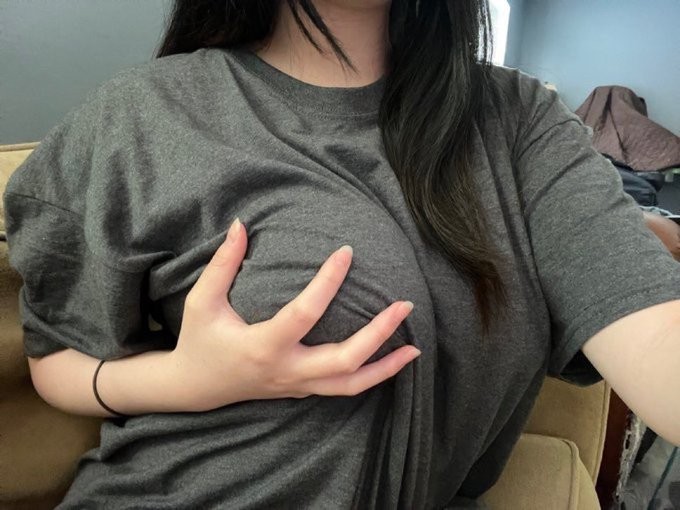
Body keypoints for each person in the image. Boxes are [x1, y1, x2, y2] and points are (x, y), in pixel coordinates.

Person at [3, 0, 680, 508]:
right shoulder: (138, 114)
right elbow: (55, 358)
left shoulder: (523, 124)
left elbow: (654, 339)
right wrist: (187, 379)